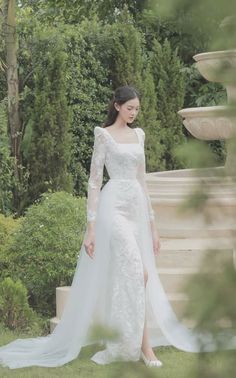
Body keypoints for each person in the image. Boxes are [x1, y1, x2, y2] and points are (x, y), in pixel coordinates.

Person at [0, 86, 234, 370]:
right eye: (130, 108)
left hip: (136, 206)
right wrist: (91, 228)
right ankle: (146, 349)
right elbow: (94, 183)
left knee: (140, 276)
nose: (134, 113)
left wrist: (154, 227)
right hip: (113, 210)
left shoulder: (139, 135)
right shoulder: (104, 135)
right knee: (139, 272)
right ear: (117, 106)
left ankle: (131, 341)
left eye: (137, 109)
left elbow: (144, 181)